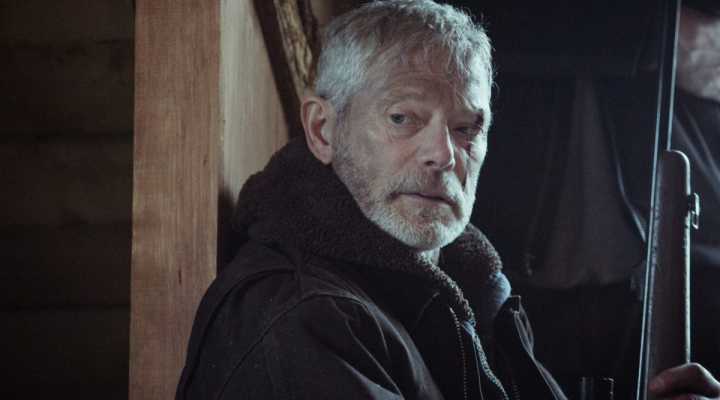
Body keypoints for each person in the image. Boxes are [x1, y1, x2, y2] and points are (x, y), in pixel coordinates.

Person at [176, 1, 720, 399]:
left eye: (466, 129)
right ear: (323, 130)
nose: (443, 154)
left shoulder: (474, 292)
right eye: (402, 118)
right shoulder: (300, 321)